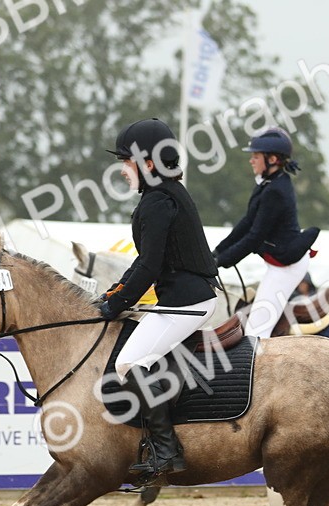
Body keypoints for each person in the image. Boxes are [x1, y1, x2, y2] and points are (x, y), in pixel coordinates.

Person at [96, 118, 220, 482]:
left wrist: (113, 306)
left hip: (187, 303)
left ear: (148, 163)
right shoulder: (165, 194)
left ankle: (167, 450)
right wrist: (113, 294)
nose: (122, 170)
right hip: (184, 298)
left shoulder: (158, 201)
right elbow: (147, 263)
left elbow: (149, 265)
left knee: (129, 365)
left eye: (127, 161)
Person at [212, 127, 320, 338]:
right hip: (278, 263)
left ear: (271, 159)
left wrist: (221, 261)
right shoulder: (268, 184)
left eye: (255, 156)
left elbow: (254, 237)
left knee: (256, 330)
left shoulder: (276, 191)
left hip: (286, 267)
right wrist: (216, 252)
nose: (251, 160)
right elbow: (246, 223)